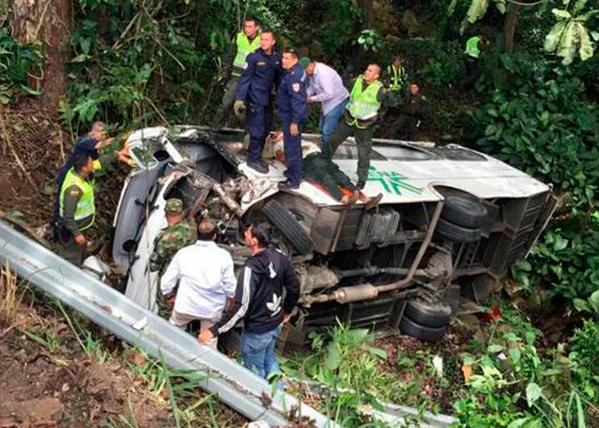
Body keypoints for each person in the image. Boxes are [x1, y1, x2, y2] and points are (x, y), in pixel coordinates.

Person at [198, 224, 299, 383]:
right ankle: (279, 394)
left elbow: (241, 306)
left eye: (247, 233)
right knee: (268, 358)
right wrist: (286, 311)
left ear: (254, 240)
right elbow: (294, 286)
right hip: (274, 324)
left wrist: (213, 331)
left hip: (256, 332)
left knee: (254, 376)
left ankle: (263, 404)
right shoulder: (279, 257)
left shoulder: (250, 269)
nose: (244, 234)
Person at [160, 219, 236, 349]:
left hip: (185, 306)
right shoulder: (224, 256)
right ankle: (204, 367)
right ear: (214, 236)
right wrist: (231, 301)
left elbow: (167, 281)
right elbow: (230, 285)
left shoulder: (184, 253)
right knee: (208, 345)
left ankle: (168, 360)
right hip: (211, 310)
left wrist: (169, 297)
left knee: (172, 336)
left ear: (197, 234)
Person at [271, 134, 383, 208]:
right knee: (325, 178)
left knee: (339, 175)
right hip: (307, 161)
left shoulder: (298, 139)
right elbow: (282, 158)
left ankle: (366, 199)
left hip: (319, 157)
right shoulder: (278, 145)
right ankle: (343, 198)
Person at [323, 64, 386, 189]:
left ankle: (362, 179)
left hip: (365, 124)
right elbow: (343, 87)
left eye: (370, 71)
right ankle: (323, 163)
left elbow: (387, 105)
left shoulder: (380, 90)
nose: (367, 72)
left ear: (376, 75)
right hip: (349, 118)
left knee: (364, 152)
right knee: (332, 140)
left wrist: (378, 119)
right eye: (367, 69)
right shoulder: (356, 81)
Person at [52, 122, 120, 226]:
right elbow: (102, 145)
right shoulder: (86, 141)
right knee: (63, 202)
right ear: (94, 132)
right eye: (102, 134)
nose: (104, 137)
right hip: (69, 175)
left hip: (81, 174)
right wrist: (120, 138)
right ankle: (58, 223)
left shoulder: (93, 141)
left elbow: (100, 155)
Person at [234, 30, 282, 174]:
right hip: (254, 98)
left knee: (266, 128)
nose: (263, 42)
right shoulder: (253, 57)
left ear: (273, 42)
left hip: (268, 99)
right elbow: (245, 79)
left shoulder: (276, 58)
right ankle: (252, 159)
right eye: (262, 39)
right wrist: (240, 98)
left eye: (267, 40)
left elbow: (279, 79)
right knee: (257, 130)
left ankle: (257, 156)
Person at [213, 17, 262, 128]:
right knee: (225, 104)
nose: (247, 29)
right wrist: (225, 72)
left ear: (257, 27)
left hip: (254, 78)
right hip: (237, 76)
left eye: (250, 27)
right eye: (245, 26)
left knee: (250, 107)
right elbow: (230, 55)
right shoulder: (239, 37)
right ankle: (214, 130)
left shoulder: (262, 39)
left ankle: (249, 132)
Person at [56, 154, 98, 266]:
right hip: (73, 230)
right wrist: (77, 234)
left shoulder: (75, 171)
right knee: (71, 258)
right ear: (84, 168)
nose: (93, 163)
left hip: (81, 226)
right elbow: (67, 215)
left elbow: (99, 164)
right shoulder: (74, 189)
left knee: (79, 251)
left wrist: (117, 154)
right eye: (90, 163)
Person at [276, 48, 308, 190]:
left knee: (292, 147)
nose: (283, 60)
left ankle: (293, 180)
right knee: (293, 146)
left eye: (287, 58)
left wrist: (294, 122)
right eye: (283, 57)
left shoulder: (294, 76)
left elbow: (298, 100)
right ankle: (293, 172)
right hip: (290, 115)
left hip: (293, 117)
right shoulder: (295, 71)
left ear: (295, 60)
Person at [304, 60, 349, 151]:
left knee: (327, 130)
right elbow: (313, 87)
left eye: (305, 70)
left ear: (310, 65)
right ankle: (324, 149)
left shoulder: (323, 74)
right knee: (322, 127)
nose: (304, 73)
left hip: (337, 101)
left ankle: (326, 155)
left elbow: (329, 93)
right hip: (327, 102)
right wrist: (305, 95)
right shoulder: (313, 73)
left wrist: (312, 99)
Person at [149, 198, 198, 274]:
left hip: (170, 277)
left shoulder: (165, 239)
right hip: (189, 274)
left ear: (165, 213)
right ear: (181, 212)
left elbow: (153, 267)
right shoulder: (192, 227)